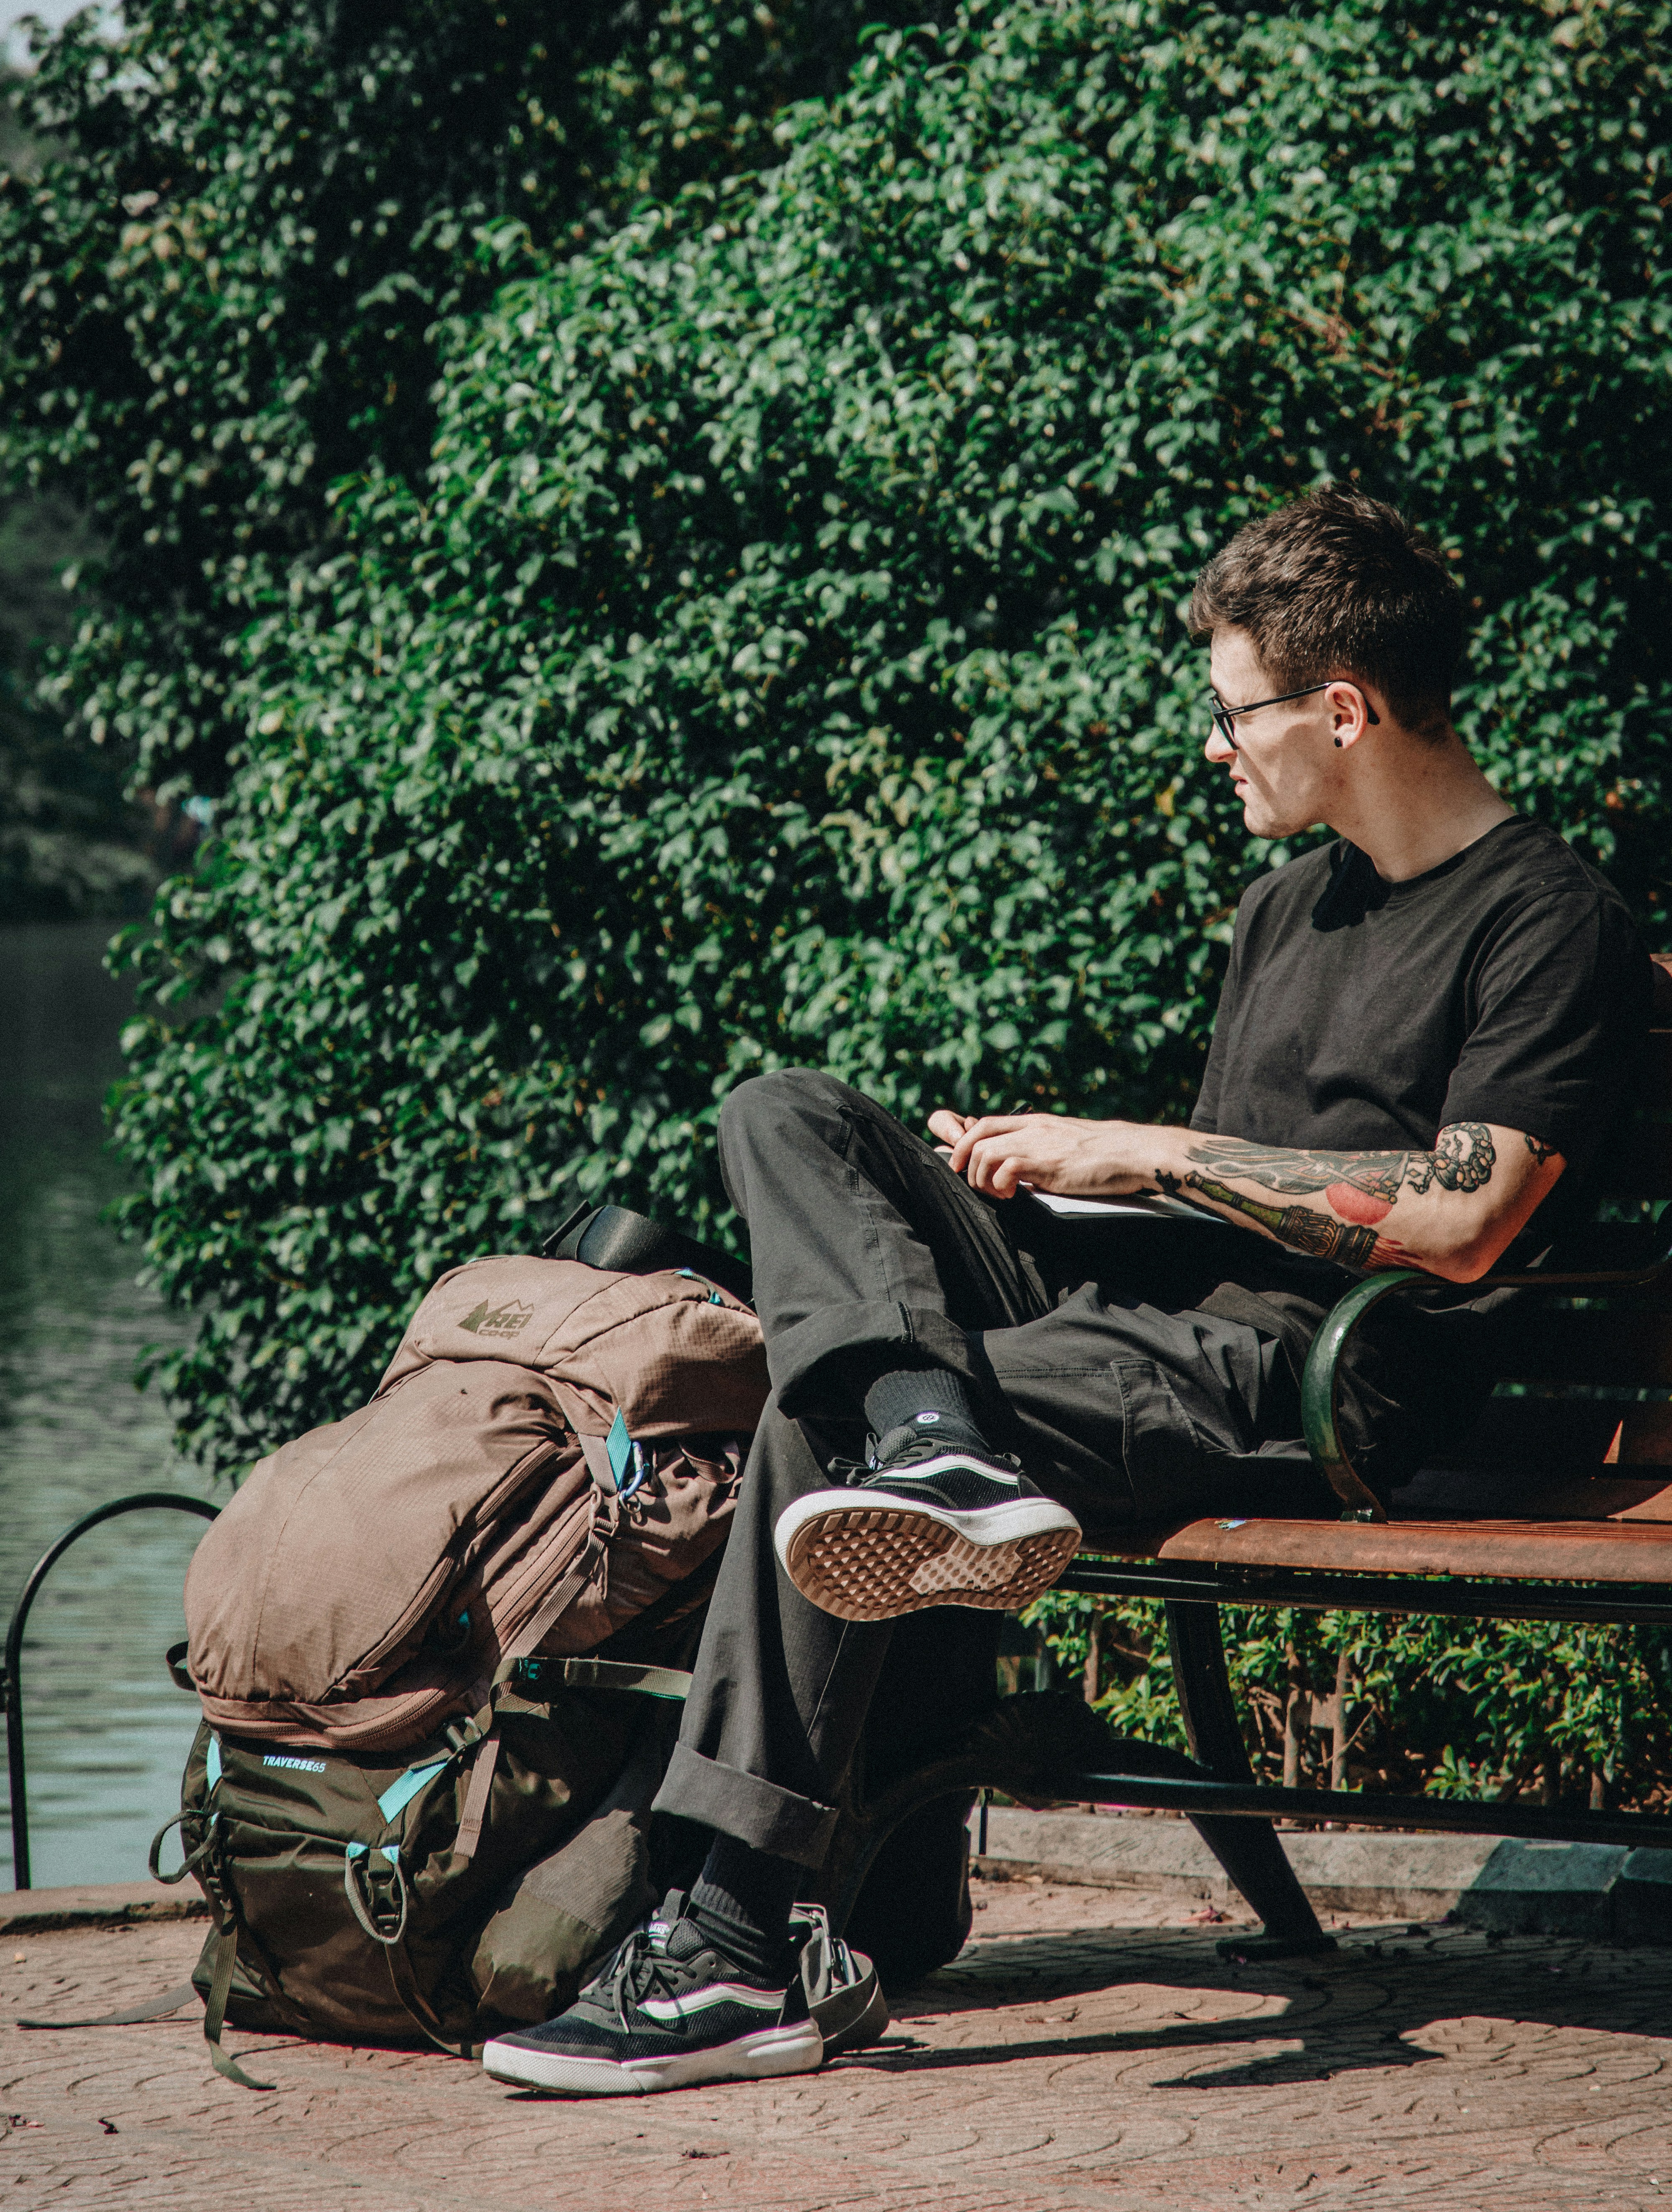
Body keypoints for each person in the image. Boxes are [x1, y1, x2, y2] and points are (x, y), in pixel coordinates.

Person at [481, 487, 1651, 2098]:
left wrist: (1149, 1151)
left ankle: (740, 1943)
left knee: (818, 1433)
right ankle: (928, 1426)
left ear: (1344, 708)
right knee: (786, 1111)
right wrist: (1057, 1176)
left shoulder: (1549, 921)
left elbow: (1463, 1220)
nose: (1216, 745)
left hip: (1324, 1379)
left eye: (1236, 711)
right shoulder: (1286, 907)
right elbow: (1211, 1197)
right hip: (1165, 1316)